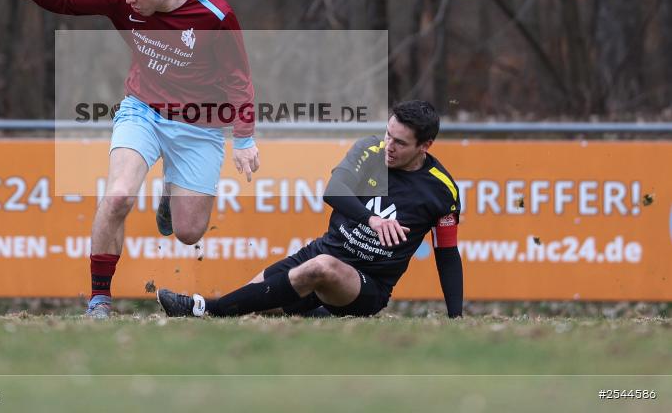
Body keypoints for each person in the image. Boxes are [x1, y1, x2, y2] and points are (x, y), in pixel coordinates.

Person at [0, 0, 260, 318]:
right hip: (143, 110)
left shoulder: (215, 16)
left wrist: (245, 138)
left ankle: (170, 193)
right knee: (118, 196)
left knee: (188, 232)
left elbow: (239, 79)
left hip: (199, 125)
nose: (129, 0)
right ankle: (99, 299)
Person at [157, 100, 463, 319]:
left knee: (322, 268)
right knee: (254, 300)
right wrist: (372, 220)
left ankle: (203, 308)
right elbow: (334, 191)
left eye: (400, 142)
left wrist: (456, 317)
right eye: (387, 134)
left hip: (366, 284)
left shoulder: (441, 189)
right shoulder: (370, 150)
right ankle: (315, 312)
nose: (389, 146)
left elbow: (446, 253)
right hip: (322, 249)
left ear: (425, 146)